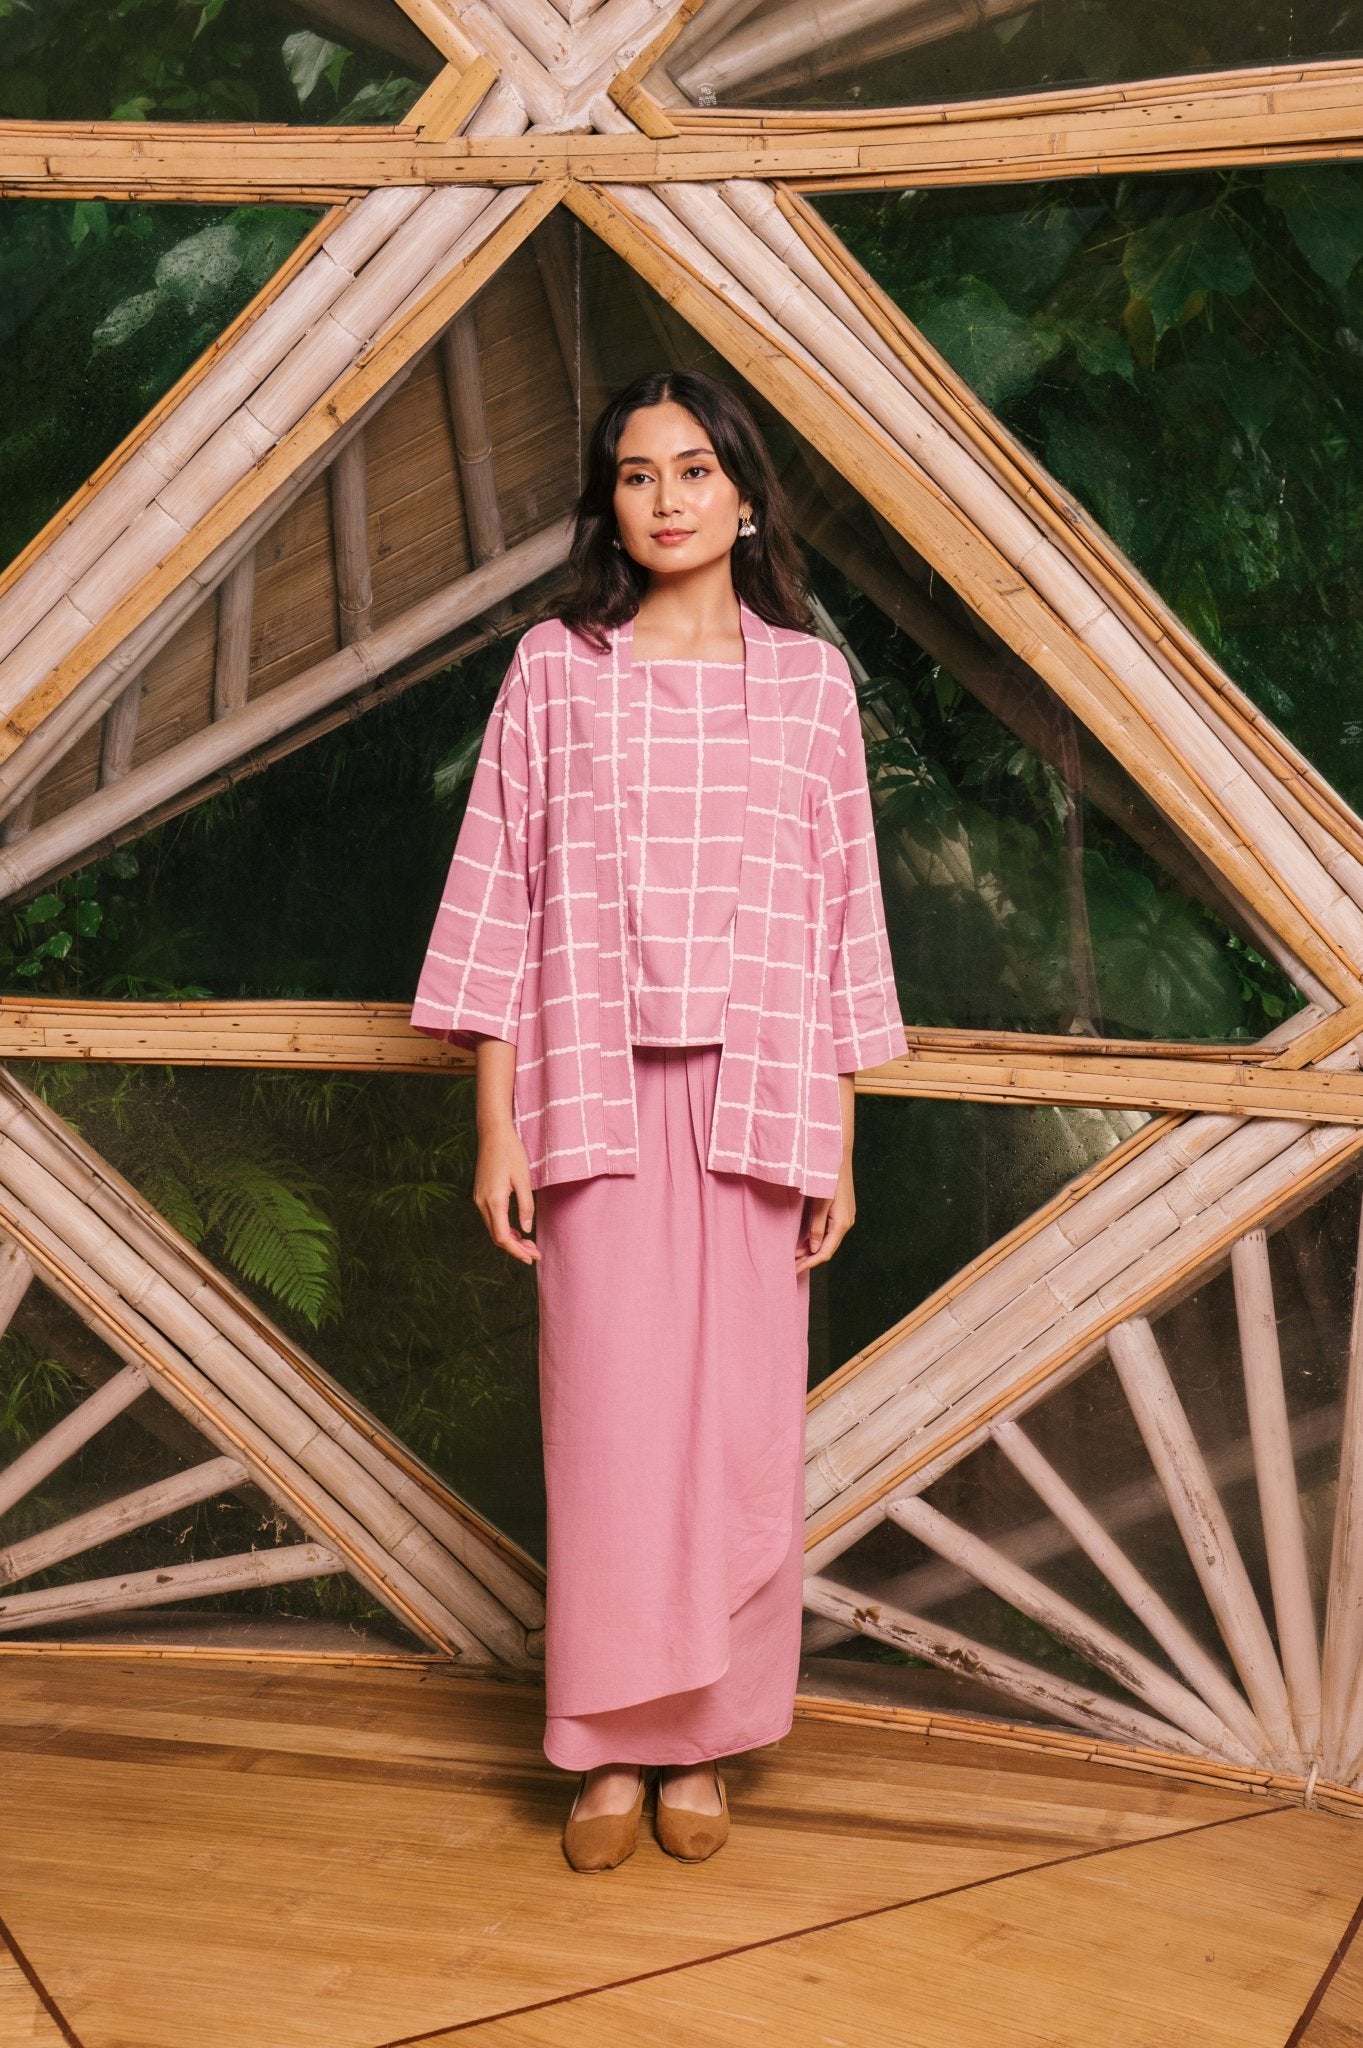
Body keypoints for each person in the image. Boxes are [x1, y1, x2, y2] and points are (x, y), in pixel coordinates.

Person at [410, 367, 906, 1871]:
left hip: (762, 1105)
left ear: (745, 496)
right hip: (593, 1103)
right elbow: (498, 899)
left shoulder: (811, 686)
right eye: (638, 475)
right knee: (611, 1434)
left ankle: (710, 1740)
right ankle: (606, 1747)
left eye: (696, 470)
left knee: (740, 1434)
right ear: (608, 505)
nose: (669, 498)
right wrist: (496, 1129)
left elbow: (847, 918)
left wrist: (841, 1142)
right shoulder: (554, 672)